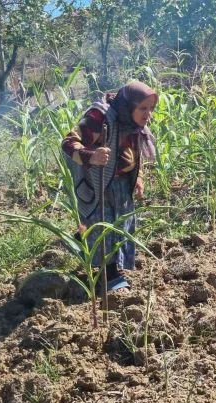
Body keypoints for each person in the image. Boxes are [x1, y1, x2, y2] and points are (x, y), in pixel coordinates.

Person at [61, 81, 158, 291]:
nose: (148, 114)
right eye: (143, 108)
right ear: (130, 105)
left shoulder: (132, 122)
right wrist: (91, 155)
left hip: (121, 183)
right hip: (97, 183)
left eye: (151, 108)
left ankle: (84, 241)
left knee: (121, 226)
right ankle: (110, 276)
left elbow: (134, 153)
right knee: (104, 226)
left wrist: (138, 177)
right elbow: (68, 143)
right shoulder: (100, 117)